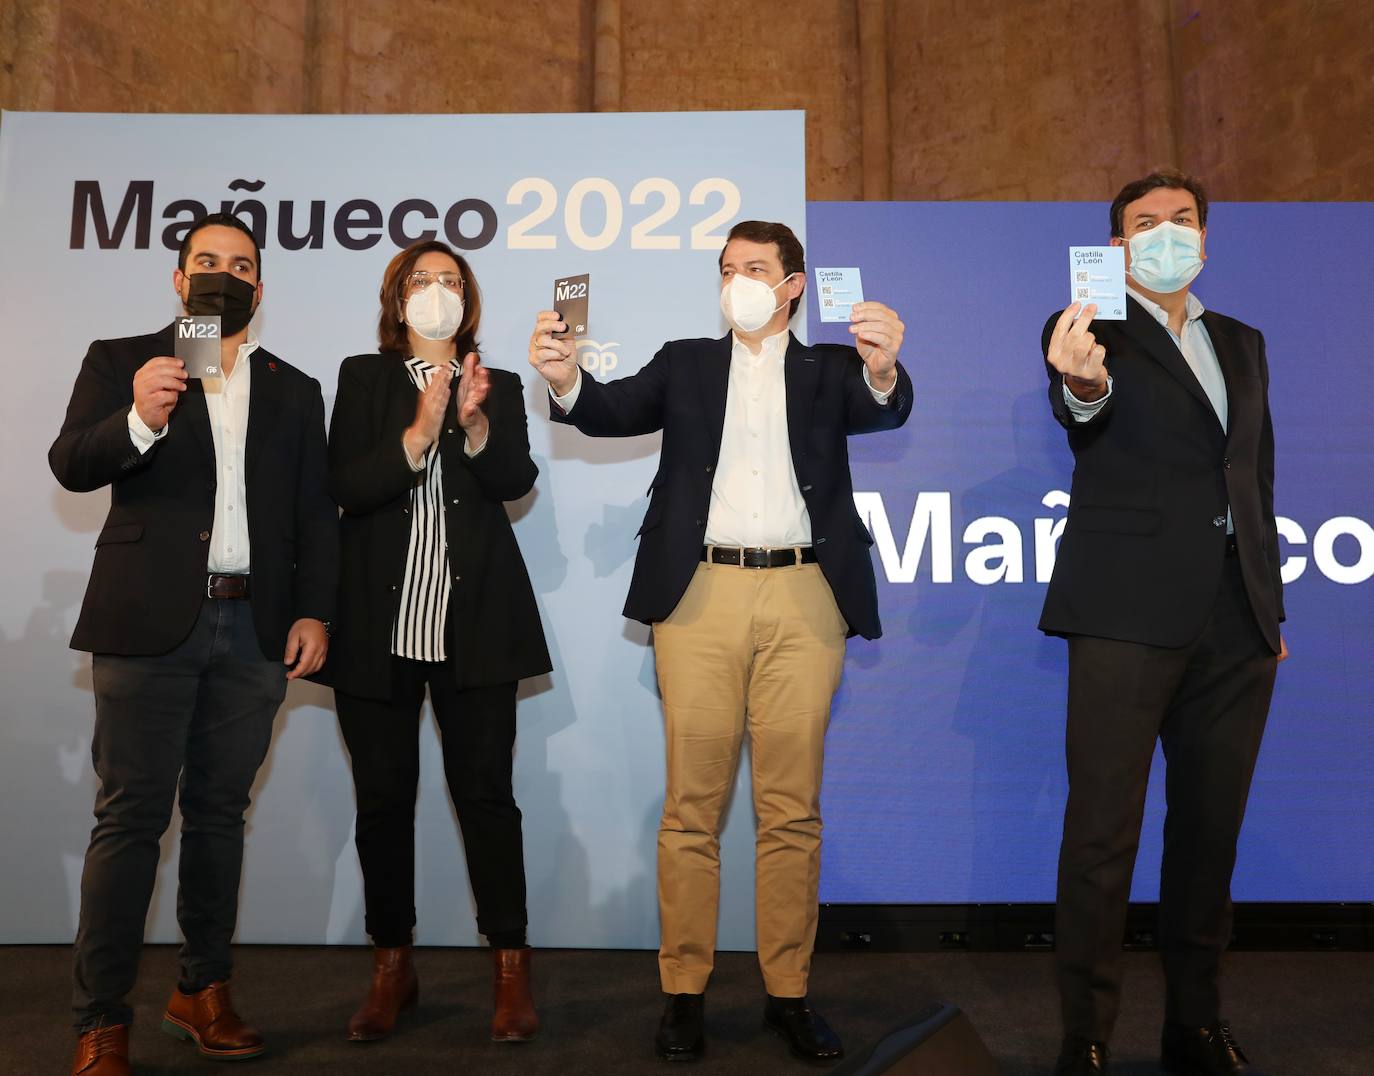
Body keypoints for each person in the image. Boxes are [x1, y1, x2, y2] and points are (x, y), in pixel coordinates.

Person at [527, 220, 912, 1064]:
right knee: (691, 809)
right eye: (728, 268)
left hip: (806, 596)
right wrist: (564, 380)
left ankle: (789, 994)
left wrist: (883, 367)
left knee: (792, 811)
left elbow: (882, 406)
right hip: (700, 594)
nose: (738, 281)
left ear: (793, 286)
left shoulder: (832, 368)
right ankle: (684, 994)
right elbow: (610, 409)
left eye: (757, 268)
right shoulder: (686, 362)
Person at [50, 212, 339, 1076]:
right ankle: (101, 1020)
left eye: (240, 265)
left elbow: (314, 513)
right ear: (179, 281)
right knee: (129, 821)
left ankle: (202, 990)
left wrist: (315, 612)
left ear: (260, 287)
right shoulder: (124, 361)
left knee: (219, 817)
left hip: (254, 629)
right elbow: (72, 463)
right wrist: (139, 418)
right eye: (206, 261)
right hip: (146, 625)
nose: (223, 274)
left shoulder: (294, 388)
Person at [1040, 171, 1286, 1076]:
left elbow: (1254, 476)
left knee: (1210, 833)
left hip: (1236, 621)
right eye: (1145, 223)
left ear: (1206, 240)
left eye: (1182, 219)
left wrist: (1268, 605)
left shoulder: (1242, 341)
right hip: (1124, 613)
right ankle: (1086, 1034)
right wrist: (1083, 385)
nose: (1167, 233)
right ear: (1118, 247)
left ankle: (1196, 1023)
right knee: (1102, 835)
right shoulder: (1085, 330)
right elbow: (1082, 410)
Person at [327, 240, 551, 1045]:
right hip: (377, 630)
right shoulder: (363, 377)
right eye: (420, 280)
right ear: (397, 298)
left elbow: (515, 481)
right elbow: (346, 487)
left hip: (476, 628)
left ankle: (510, 969)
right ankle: (392, 966)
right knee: (382, 803)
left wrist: (475, 423)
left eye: (449, 280)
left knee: (486, 797)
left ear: (468, 298)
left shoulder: (500, 382)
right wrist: (419, 432)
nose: (435, 291)